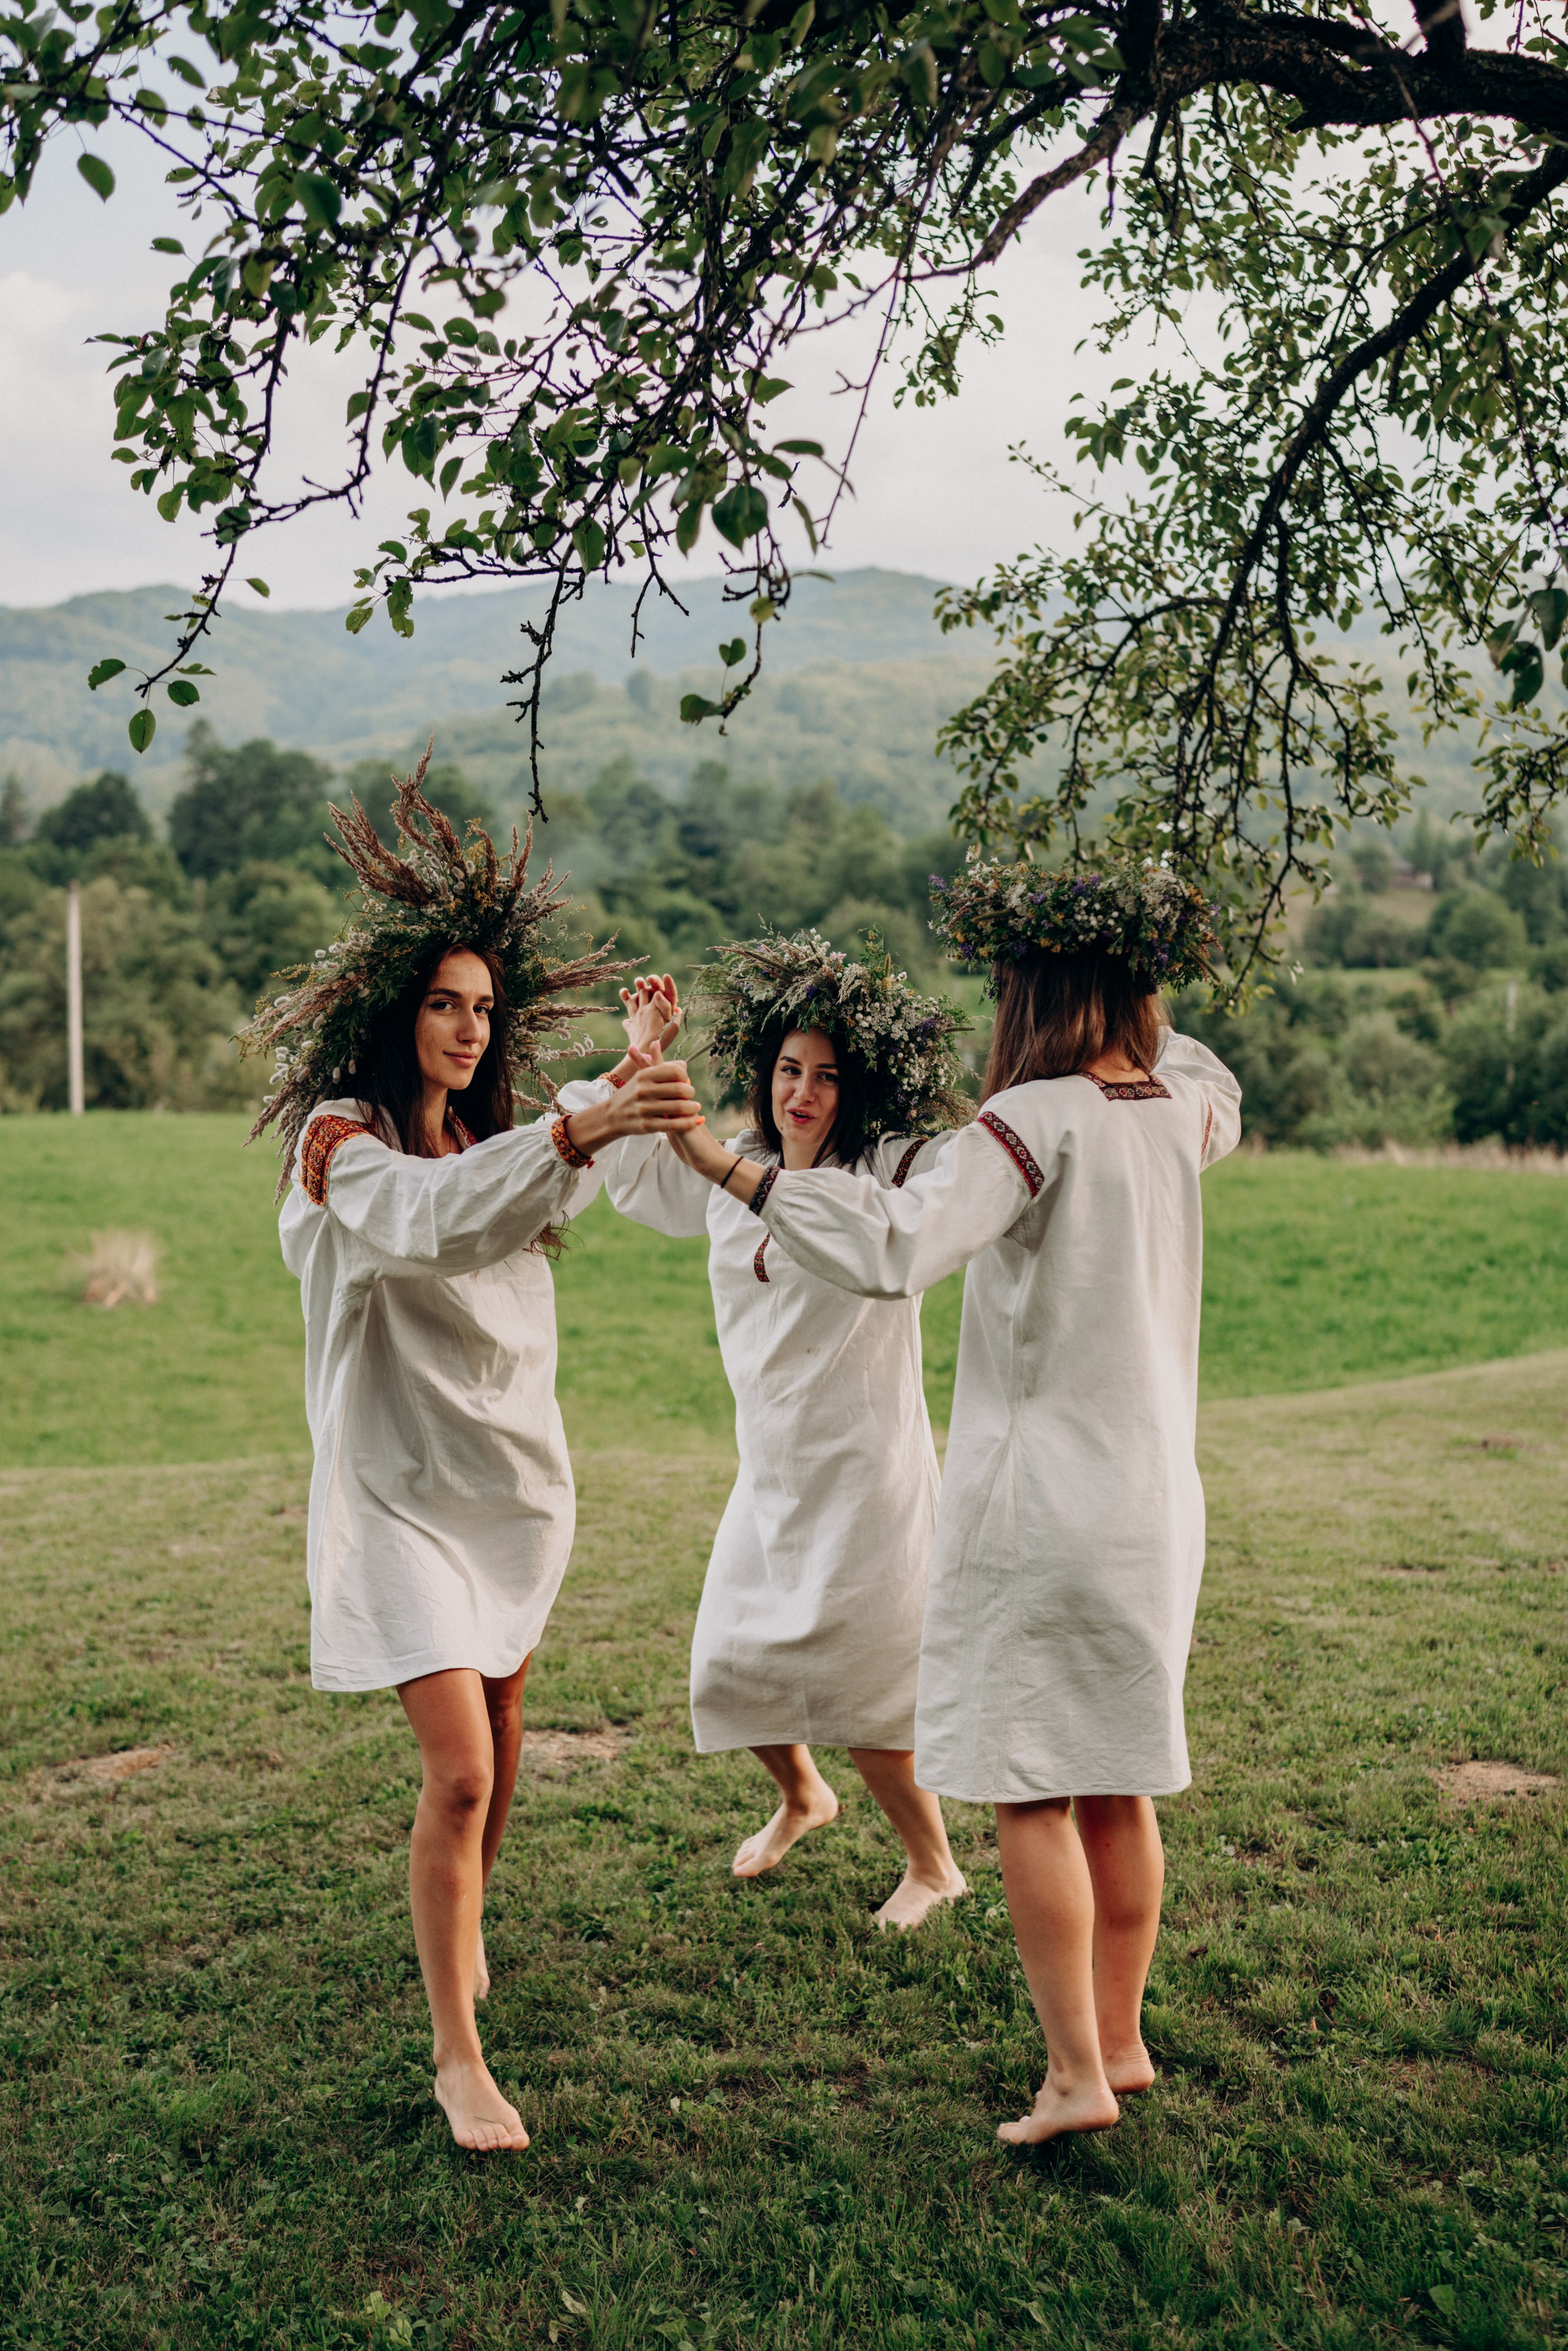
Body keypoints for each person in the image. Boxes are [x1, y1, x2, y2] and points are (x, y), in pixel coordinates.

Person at [658, 862, 1242, 2143]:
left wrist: (729, 1165)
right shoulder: (1179, 1109)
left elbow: (889, 1249)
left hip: (1039, 1505)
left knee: (1030, 1787)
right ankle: (1125, 2040)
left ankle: (1072, 2072)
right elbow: (1207, 1068)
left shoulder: (1022, 1125)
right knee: (1118, 1782)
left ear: (1030, 986)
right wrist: (1135, 986)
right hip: (1154, 1498)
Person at [241, 754, 702, 2155]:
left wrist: (618, 1088)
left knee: (500, 1754)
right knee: (456, 1770)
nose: (463, 1023)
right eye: (442, 1001)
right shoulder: (342, 1144)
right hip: (391, 1497)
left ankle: (465, 1921)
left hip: (507, 1489)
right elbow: (436, 1220)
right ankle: (459, 2055)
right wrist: (583, 1119)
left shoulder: (501, 1137)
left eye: (483, 1006)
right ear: (396, 1012)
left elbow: (521, 1191)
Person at [581, 931, 974, 1926]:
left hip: (869, 1467)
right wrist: (644, 1053)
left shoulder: (881, 1171)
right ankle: (806, 1794)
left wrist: (712, 1154)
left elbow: (894, 1223)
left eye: (828, 1075)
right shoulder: (736, 1164)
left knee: (874, 1689)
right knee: (732, 1661)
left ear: (861, 1087)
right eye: (789, 1070)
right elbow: (610, 1147)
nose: (803, 1092)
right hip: (772, 1466)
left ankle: (934, 1865)